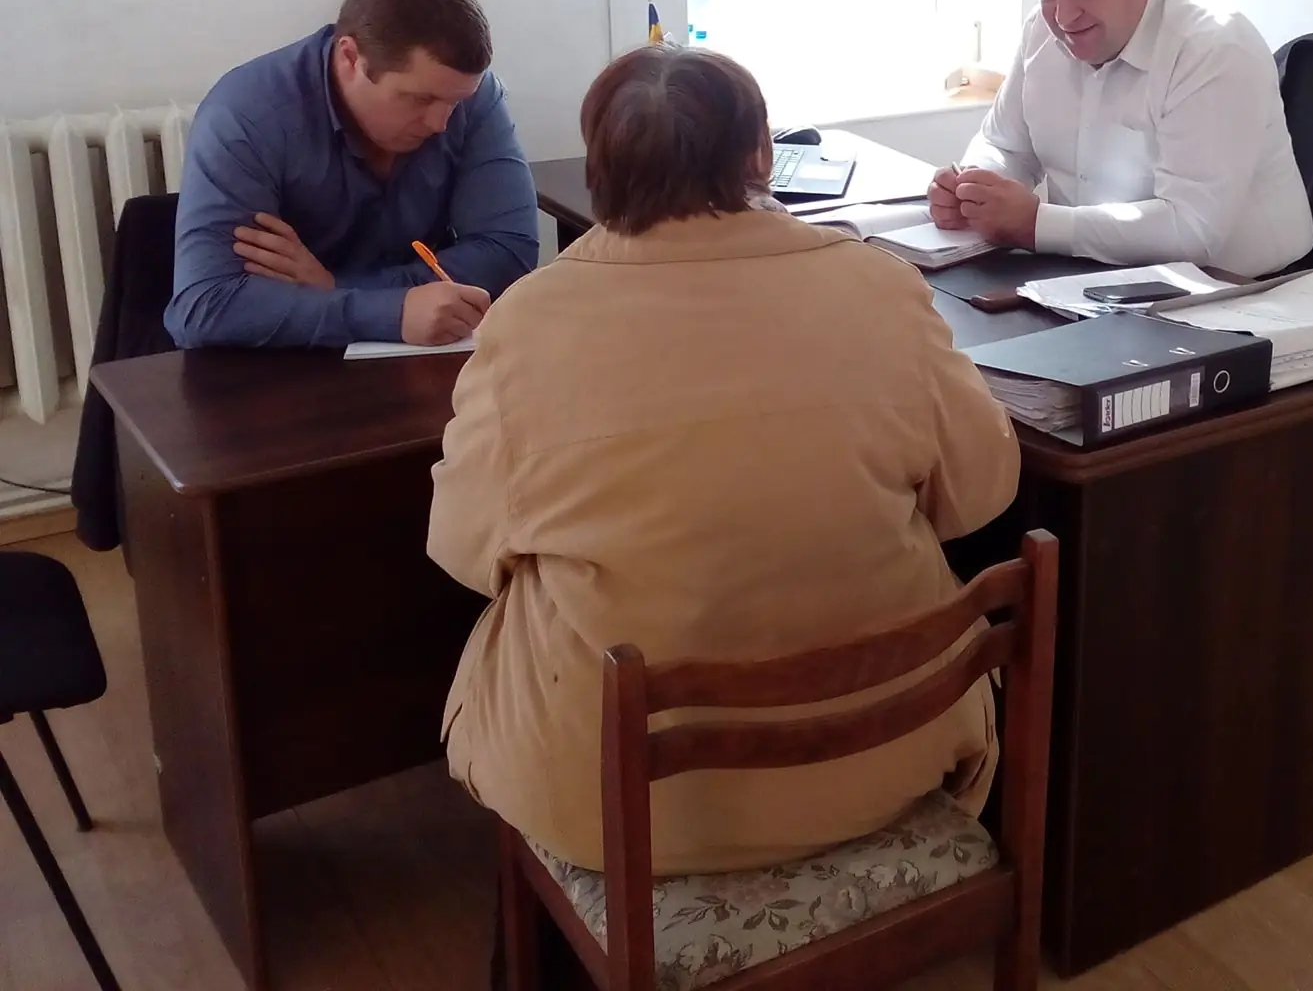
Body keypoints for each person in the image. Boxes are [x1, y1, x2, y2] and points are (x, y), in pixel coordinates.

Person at [427, 44, 1019, 874]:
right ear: (762, 155)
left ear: (599, 169)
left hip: (624, 805)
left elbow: (462, 548)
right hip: (892, 749)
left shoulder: (527, 323)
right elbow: (982, 490)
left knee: (521, 604)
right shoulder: (879, 286)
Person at [930, 0, 1313, 278]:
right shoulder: (1041, 29)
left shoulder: (1215, 48)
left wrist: (1034, 224)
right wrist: (974, 189)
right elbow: (1004, 145)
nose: (1063, 17)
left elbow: (1192, 230)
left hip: (1244, 289)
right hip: (1090, 276)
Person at [165, 0, 538, 349]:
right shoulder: (246, 116)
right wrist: (390, 312)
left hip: (427, 358)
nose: (442, 123)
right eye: (420, 99)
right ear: (350, 58)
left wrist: (336, 287)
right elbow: (205, 306)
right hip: (289, 369)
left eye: (456, 102)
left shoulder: (471, 94)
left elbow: (510, 251)